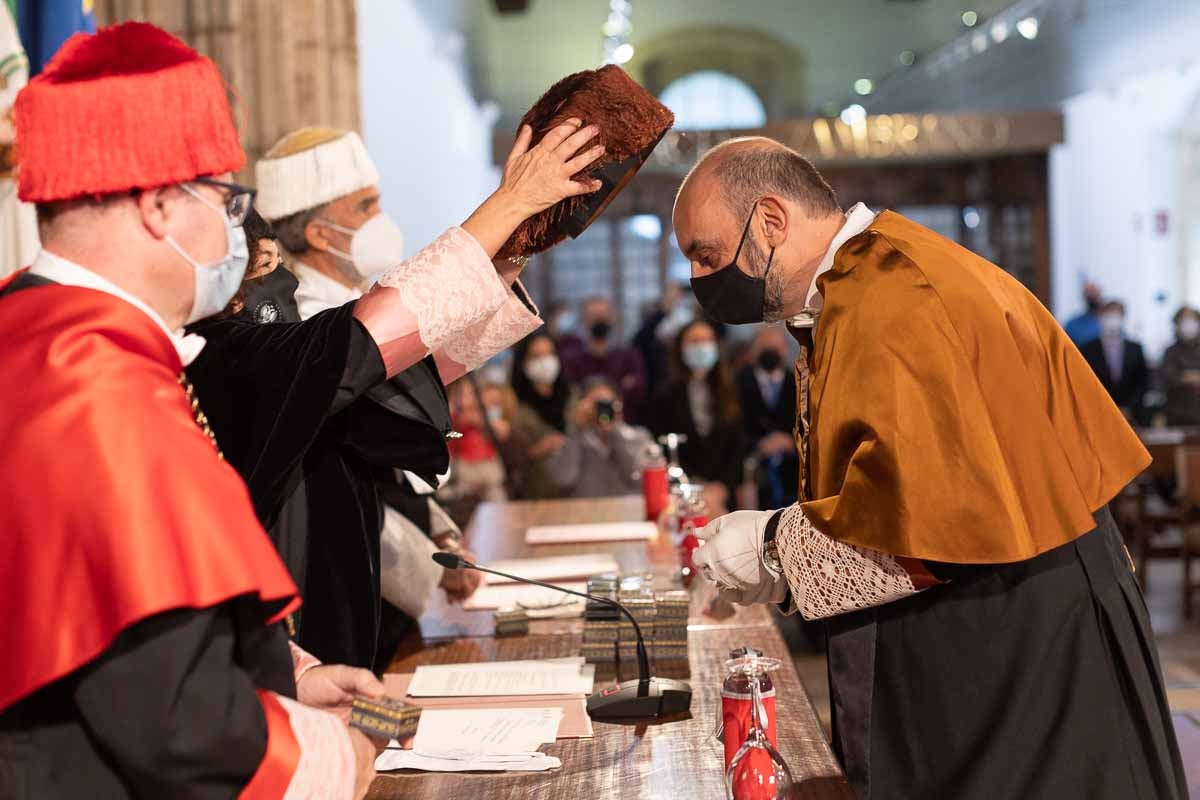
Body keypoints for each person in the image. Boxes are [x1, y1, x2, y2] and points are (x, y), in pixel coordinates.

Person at [674, 136, 1185, 799]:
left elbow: (934, 516)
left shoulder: (900, 295)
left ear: (771, 221)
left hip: (1017, 626)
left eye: (707, 255)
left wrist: (775, 547)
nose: (700, 282)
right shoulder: (861, 283)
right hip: (993, 607)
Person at [0, 22, 383, 798]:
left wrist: (285, 678)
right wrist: (342, 761)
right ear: (159, 207)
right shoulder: (96, 388)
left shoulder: (35, 337)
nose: (237, 228)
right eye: (225, 198)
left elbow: (128, 623)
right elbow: (180, 724)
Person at [186, 121, 604, 669]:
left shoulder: (266, 338)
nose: (273, 278)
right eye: (365, 206)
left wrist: (518, 237)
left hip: (341, 610)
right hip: (305, 608)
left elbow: (409, 370)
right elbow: (368, 344)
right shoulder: (240, 349)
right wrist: (511, 205)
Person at [648, 318, 745, 507]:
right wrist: (692, 483)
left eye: (707, 340)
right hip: (683, 489)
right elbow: (661, 443)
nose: (702, 346)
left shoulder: (732, 390)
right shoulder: (665, 394)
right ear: (681, 348)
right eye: (694, 341)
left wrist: (723, 485)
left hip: (723, 489)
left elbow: (739, 442)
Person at [547, 376, 653, 497]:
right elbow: (563, 480)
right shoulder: (571, 441)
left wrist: (615, 432)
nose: (603, 411)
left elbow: (639, 480)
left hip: (629, 512)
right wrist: (576, 430)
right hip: (586, 513)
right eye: (596, 405)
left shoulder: (640, 437)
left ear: (619, 404)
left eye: (607, 404)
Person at [736, 324, 799, 508]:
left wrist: (790, 442)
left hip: (792, 473)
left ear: (786, 350)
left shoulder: (800, 382)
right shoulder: (736, 383)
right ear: (754, 350)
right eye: (765, 347)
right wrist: (758, 445)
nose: (771, 352)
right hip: (750, 471)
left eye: (776, 348)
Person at [561, 295, 647, 418]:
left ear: (612, 318)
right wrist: (619, 386)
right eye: (594, 316)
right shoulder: (571, 359)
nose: (599, 320)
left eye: (603, 316)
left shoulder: (630, 356)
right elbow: (573, 394)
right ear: (584, 319)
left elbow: (637, 392)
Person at [481, 380, 567, 499]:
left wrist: (510, 436)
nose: (490, 409)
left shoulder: (522, 420)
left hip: (531, 490)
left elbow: (549, 439)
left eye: (495, 403)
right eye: (485, 405)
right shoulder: (475, 428)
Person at [1079, 299, 1148, 421]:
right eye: (1108, 315)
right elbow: (1085, 382)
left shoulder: (1135, 348)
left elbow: (1142, 383)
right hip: (1097, 413)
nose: (1112, 319)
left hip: (1131, 415)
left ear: (1123, 317)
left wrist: (1128, 408)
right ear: (1100, 317)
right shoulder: (1087, 349)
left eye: (1116, 315)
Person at [511, 328, 572, 431]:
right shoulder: (514, 404)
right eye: (536, 356)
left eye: (550, 353)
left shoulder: (572, 396)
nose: (545, 361)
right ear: (522, 363)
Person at [1162, 305, 1200, 425]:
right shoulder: (1170, 352)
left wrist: (1185, 376)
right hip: (1177, 415)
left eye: (1191, 319)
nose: (1188, 323)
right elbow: (1170, 379)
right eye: (1183, 320)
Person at [1063, 280, 1103, 345]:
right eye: (1089, 294)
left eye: (1094, 293)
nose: (1092, 297)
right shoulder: (1073, 325)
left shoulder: (1109, 323)